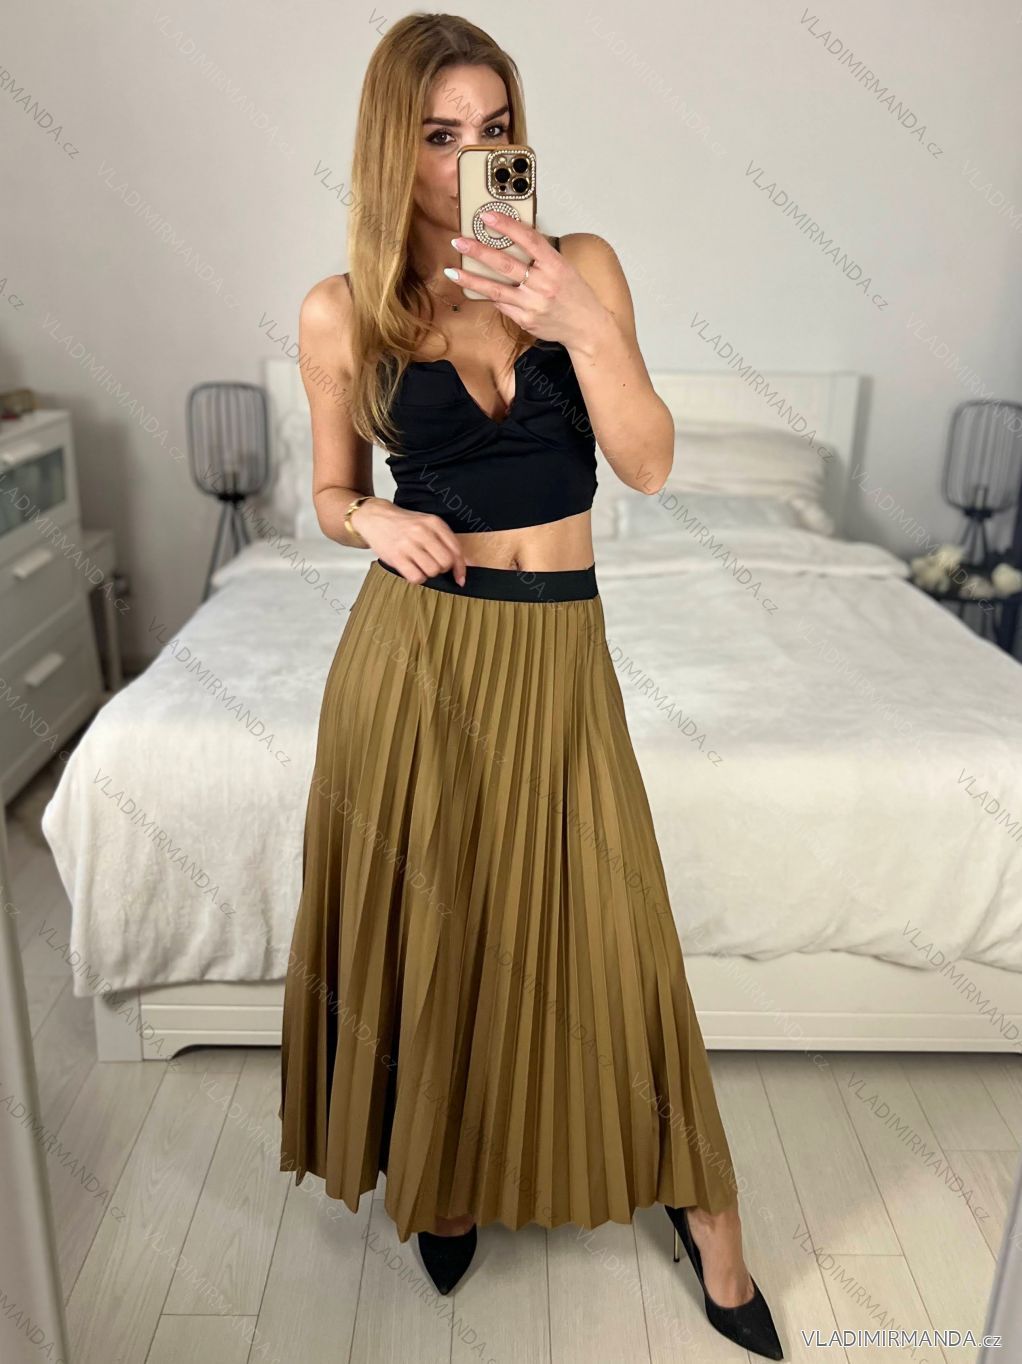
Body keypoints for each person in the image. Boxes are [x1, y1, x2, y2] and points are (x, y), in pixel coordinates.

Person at [278, 13, 783, 1360]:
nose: (471, 159)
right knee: (445, 932)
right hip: (418, 659)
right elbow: (327, 491)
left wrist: (574, 321)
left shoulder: (582, 268)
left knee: (620, 934)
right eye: (440, 135)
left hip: (560, 652)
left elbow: (650, 464)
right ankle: (443, 1181)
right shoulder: (344, 310)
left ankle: (707, 1217)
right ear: (391, 149)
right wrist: (369, 520)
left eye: (493, 130)